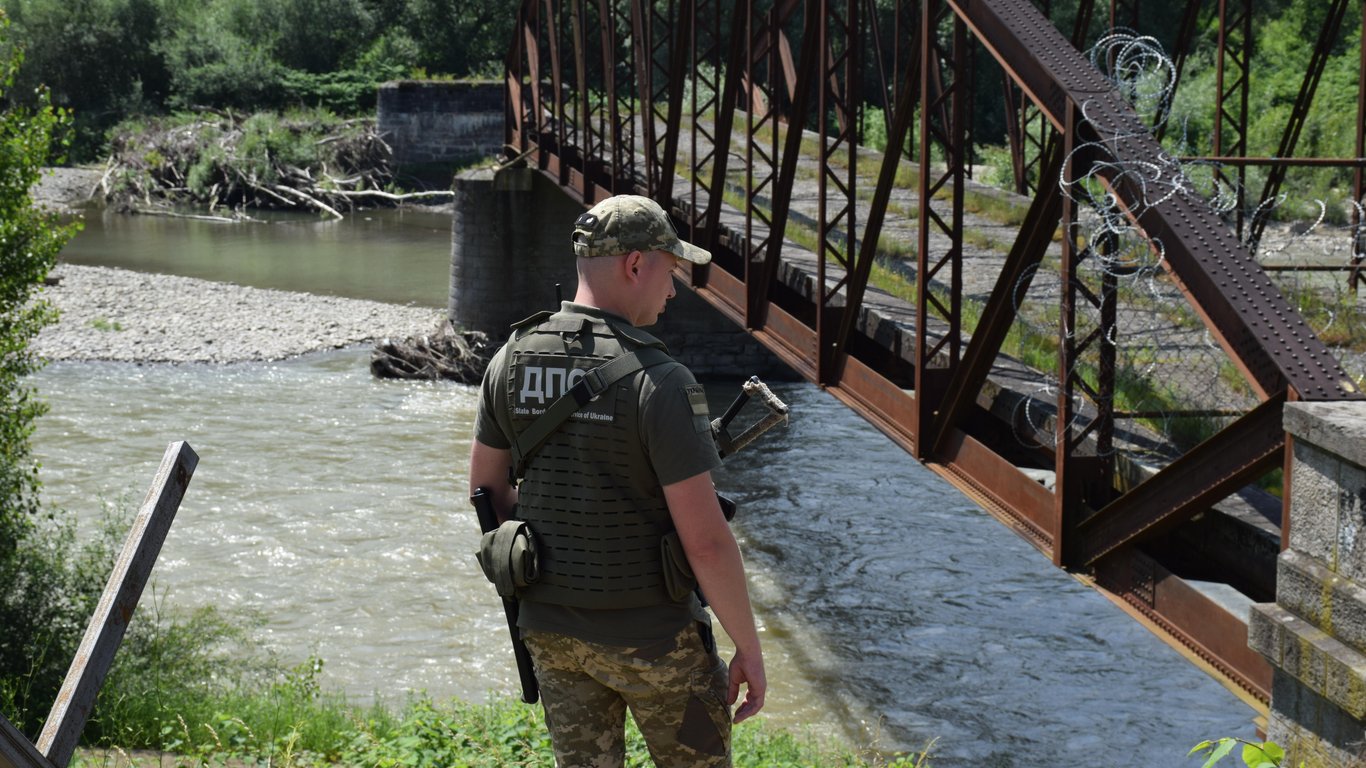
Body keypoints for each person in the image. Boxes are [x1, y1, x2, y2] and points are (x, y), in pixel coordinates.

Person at [468, 194, 766, 767]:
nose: (673, 290)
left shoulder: (510, 358)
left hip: (552, 635)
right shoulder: (662, 381)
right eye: (670, 270)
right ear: (635, 264)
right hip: (657, 640)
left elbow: (488, 493)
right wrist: (748, 650)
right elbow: (705, 542)